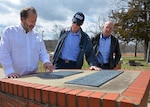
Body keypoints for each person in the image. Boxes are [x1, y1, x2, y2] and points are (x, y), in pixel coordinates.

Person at [0, 6, 53, 78]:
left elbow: (42, 52)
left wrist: (46, 61)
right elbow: (4, 53)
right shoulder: (9, 32)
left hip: (34, 76)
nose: (33, 24)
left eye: (35, 21)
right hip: (15, 77)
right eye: (31, 21)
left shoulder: (37, 35)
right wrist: (10, 71)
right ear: (22, 19)